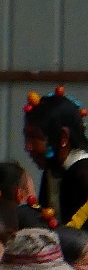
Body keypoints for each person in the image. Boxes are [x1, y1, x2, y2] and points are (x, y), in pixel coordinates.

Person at [24, 87, 88, 220]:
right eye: (27, 137)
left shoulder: (84, 176)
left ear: (63, 137)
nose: (28, 147)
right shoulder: (52, 171)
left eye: (36, 137)